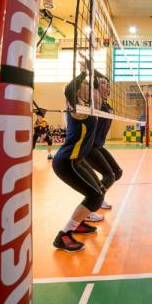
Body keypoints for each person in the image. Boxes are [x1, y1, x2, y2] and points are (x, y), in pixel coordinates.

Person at [52, 63, 104, 252]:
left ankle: (79, 223)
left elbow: (99, 93)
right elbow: (69, 90)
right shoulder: (75, 108)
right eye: (85, 85)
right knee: (95, 197)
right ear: (78, 89)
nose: (88, 87)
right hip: (67, 162)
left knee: (99, 191)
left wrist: (92, 70)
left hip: (77, 160)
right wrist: (82, 73)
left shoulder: (88, 106)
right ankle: (63, 235)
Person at [84, 73, 123, 221]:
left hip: (98, 145)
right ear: (95, 86)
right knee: (109, 176)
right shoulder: (96, 99)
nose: (106, 85)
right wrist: (89, 70)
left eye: (107, 83)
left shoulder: (105, 102)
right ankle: (89, 208)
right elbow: (93, 89)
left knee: (117, 173)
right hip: (90, 146)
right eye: (102, 83)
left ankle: (99, 198)